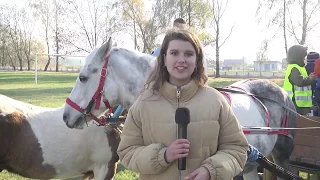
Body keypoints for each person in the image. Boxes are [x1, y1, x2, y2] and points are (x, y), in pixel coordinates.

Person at [117, 28, 249, 180]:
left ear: (197, 60)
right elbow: (127, 151)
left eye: (188, 54)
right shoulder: (144, 103)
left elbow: (237, 148)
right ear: (165, 59)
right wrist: (163, 156)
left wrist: (210, 171)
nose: (181, 59)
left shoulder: (216, 101)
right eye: (174, 53)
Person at [283, 45, 316, 115]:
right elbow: (300, 82)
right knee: (299, 123)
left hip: (301, 103)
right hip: (296, 103)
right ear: (297, 57)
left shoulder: (299, 67)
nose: (304, 59)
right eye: (303, 57)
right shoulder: (294, 68)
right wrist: (311, 79)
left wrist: (309, 77)